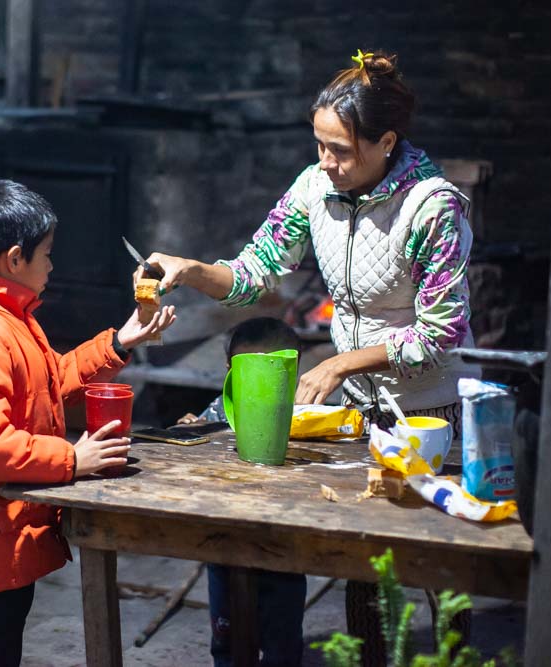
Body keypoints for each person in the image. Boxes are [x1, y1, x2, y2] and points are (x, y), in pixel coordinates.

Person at [137, 50, 479, 666]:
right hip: (360, 416)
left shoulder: (434, 207)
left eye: (341, 150)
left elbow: (443, 331)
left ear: (386, 142)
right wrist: (191, 270)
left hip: (430, 411)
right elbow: (252, 273)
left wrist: (341, 363)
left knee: (436, 570)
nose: (327, 162)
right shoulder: (313, 188)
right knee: (361, 565)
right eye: (320, 145)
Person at [0, 179, 176, 667]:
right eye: (47, 254)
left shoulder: (5, 314)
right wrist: (71, 459)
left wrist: (120, 342)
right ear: (15, 259)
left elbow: (49, 381)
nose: (53, 265)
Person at [180, 317, 308, 667]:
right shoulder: (222, 410)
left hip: (283, 543)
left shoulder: (302, 413)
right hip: (226, 540)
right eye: (248, 367)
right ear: (229, 369)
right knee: (227, 640)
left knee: (281, 643)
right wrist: (192, 430)